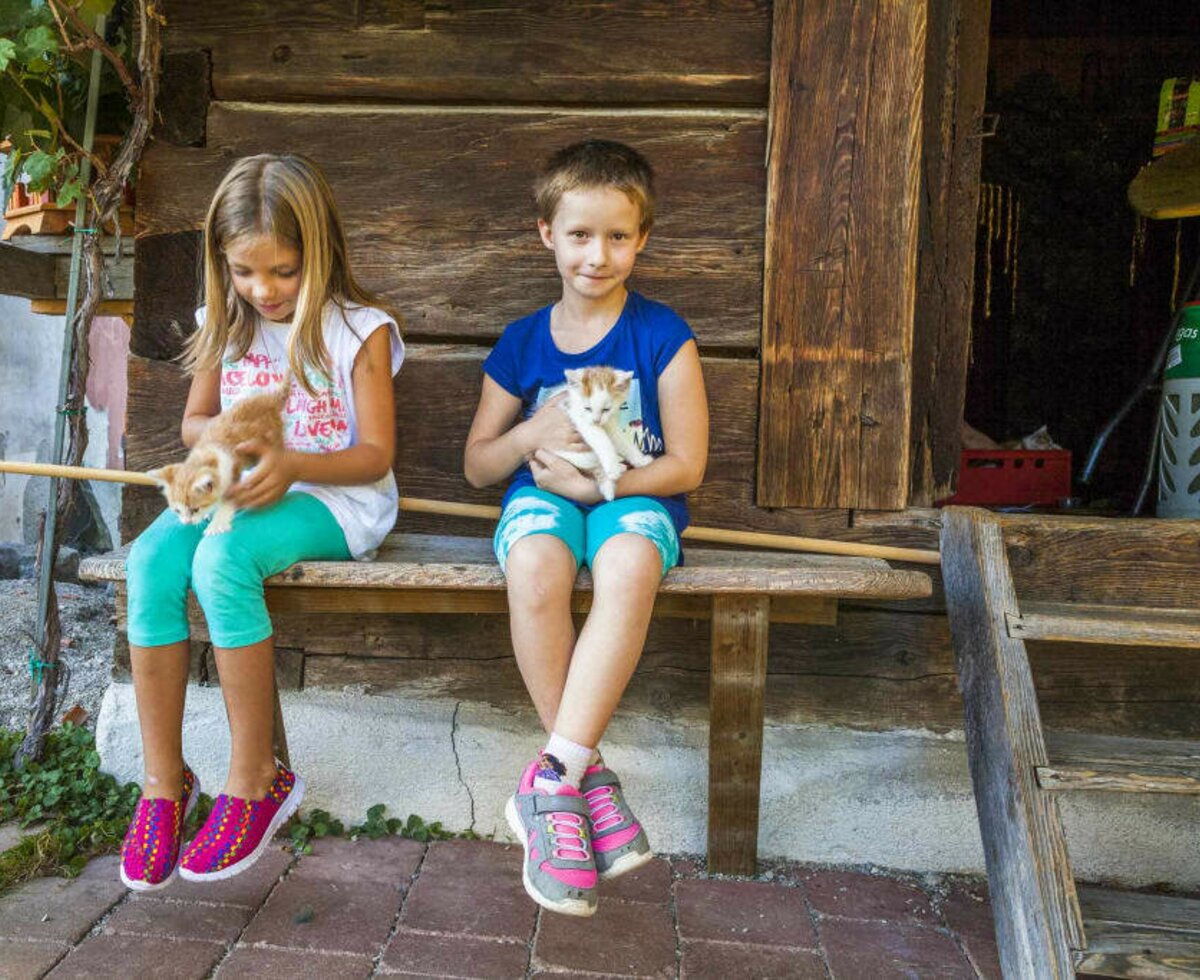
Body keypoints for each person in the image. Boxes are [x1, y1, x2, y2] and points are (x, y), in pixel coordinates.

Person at [120, 154, 404, 889]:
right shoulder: (227, 322)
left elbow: (374, 456)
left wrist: (296, 465)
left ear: (319, 250)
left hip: (336, 501)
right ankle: (163, 783)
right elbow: (191, 424)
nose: (264, 290)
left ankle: (255, 777)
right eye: (245, 273)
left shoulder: (358, 331)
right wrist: (225, 445)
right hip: (237, 488)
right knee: (149, 564)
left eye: (282, 271)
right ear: (224, 266)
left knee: (221, 563)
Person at [464, 139, 708, 916]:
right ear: (546, 234)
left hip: (635, 501)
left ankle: (550, 777)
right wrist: (534, 435)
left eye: (616, 236)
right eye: (579, 234)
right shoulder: (523, 342)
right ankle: (580, 776)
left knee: (630, 563)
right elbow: (477, 466)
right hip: (542, 504)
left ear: (642, 239)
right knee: (535, 565)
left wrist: (602, 482)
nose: (597, 255)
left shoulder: (663, 334)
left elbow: (689, 465)